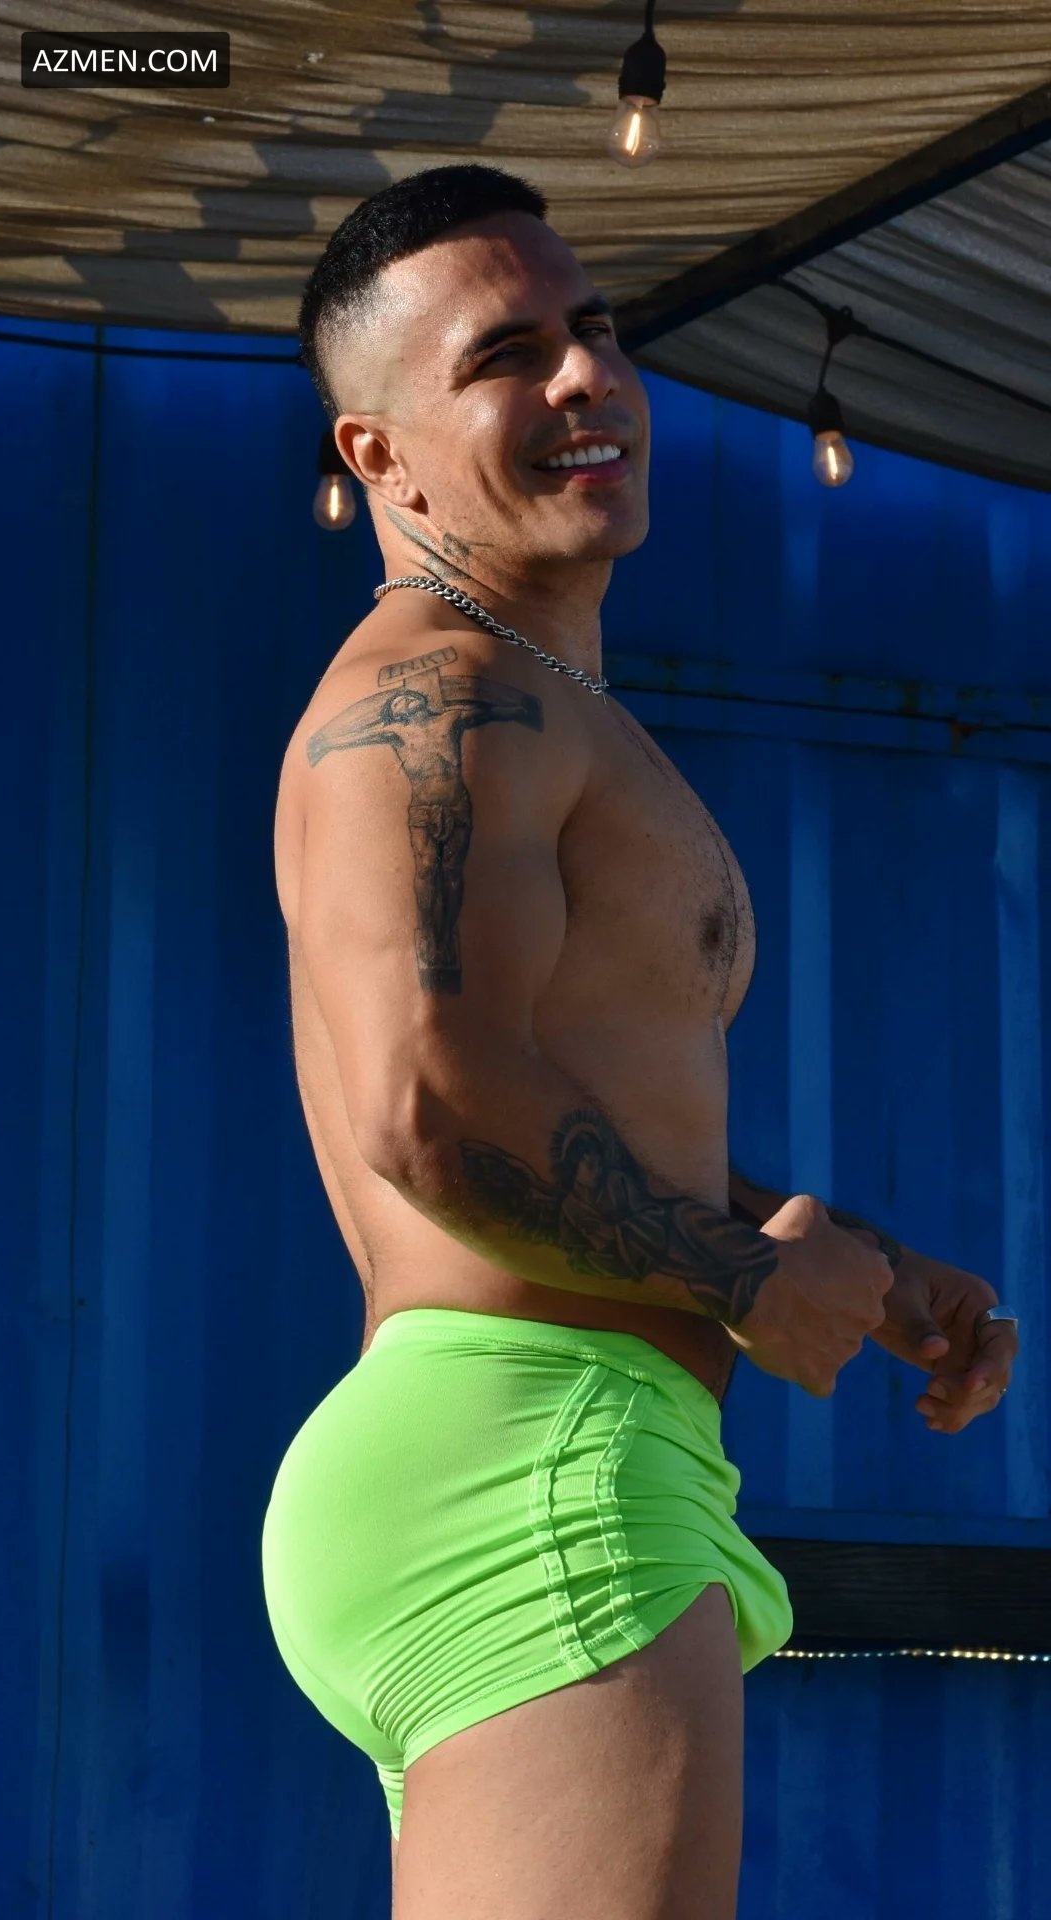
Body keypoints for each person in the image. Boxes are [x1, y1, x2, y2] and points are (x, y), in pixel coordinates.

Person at [261, 163, 1019, 1919]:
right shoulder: (442, 698)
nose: (587, 376)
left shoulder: (526, 698)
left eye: (595, 330)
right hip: (537, 1457)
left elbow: (548, 1088)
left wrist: (848, 1262)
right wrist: (742, 1281)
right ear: (381, 455)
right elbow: (425, 1101)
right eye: (505, 356)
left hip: (514, 1451)